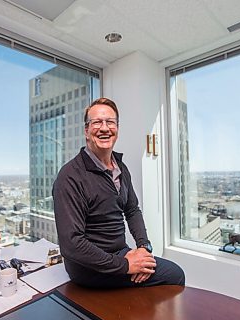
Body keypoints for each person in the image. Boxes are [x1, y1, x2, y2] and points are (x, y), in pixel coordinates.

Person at [52, 97, 185, 288]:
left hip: (119, 255)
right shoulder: (70, 176)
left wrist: (143, 248)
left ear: (117, 129)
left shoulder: (120, 167)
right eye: (97, 122)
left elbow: (132, 210)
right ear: (86, 131)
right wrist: (126, 265)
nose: (104, 128)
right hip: (88, 268)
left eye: (110, 122)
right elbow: (72, 244)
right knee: (175, 276)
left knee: (163, 272)